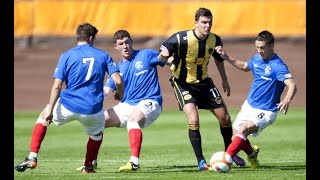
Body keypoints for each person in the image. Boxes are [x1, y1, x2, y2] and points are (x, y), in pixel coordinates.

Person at [14, 22, 124, 174]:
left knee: (42, 118)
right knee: (97, 134)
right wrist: (121, 94)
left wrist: (50, 111)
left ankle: (32, 157)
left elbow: (57, 86)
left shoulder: (66, 55)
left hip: (68, 105)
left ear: (78, 37)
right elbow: (118, 80)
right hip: (92, 109)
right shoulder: (103, 55)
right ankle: (87, 167)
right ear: (91, 37)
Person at [157, 7, 245, 170]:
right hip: (183, 83)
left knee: (225, 118)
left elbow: (219, 59)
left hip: (205, 83)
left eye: (210, 22)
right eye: (204, 22)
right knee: (194, 120)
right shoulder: (181, 38)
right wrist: (164, 56)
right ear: (196, 23)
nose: (207, 25)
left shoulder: (215, 40)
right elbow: (163, 51)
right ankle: (201, 161)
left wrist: (224, 80)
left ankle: (230, 153)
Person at [77, 29, 167, 172]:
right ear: (116, 46)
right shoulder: (118, 68)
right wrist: (91, 99)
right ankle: (90, 162)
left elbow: (165, 60)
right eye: (121, 43)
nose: (125, 46)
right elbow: (107, 90)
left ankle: (134, 162)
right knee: (98, 122)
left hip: (150, 101)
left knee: (133, 120)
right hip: (127, 105)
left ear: (131, 42)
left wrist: (173, 62)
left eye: (127, 42)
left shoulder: (146, 54)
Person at [215, 30, 297, 168]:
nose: (259, 51)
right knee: (235, 138)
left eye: (262, 47)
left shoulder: (278, 66)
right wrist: (226, 56)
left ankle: (225, 160)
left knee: (245, 129)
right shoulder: (257, 58)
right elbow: (244, 66)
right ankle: (252, 154)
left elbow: (292, 84)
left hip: (267, 110)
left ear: (271, 46)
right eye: (257, 47)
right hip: (249, 105)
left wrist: (287, 100)